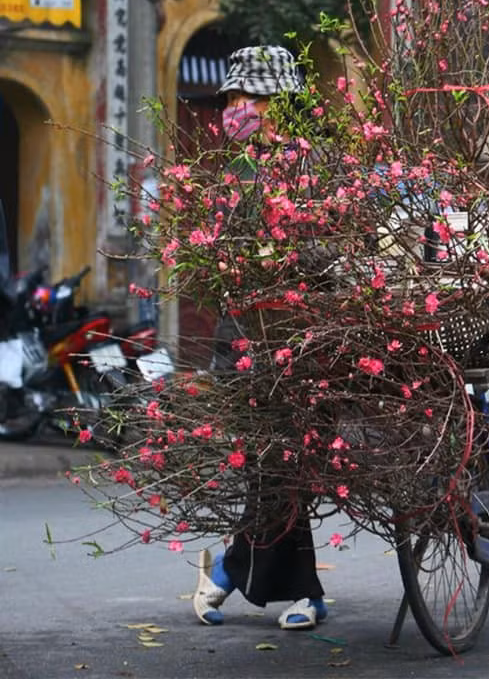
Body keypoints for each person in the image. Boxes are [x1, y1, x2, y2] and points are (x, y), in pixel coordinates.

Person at [192, 45, 327, 631]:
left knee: (283, 465)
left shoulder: (311, 166)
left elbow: (327, 249)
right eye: (232, 98)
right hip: (241, 337)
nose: (236, 108)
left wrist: (288, 255)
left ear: (279, 104)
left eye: (248, 97)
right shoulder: (232, 171)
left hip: (292, 337)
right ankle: (298, 591)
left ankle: (227, 572)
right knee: (267, 465)